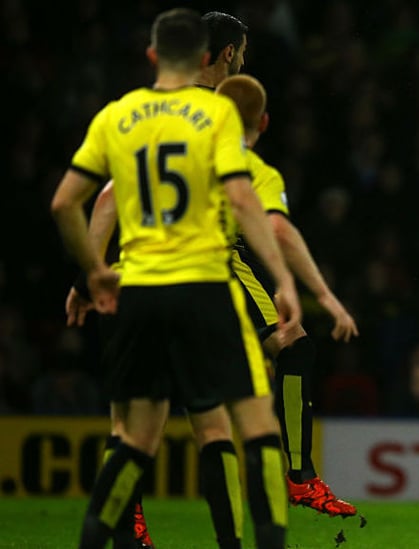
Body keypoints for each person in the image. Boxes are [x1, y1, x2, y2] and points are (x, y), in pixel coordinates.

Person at [51, 8, 297, 548]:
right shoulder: (217, 116)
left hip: (135, 289)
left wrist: (89, 274)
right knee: (236, 429)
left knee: (132, 440)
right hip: (204, 289)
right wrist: (284, 278)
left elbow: (78, 201)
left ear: (153, 56)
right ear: (216, 58)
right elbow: (239, 196)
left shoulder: (120, 115)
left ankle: (101, 540)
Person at [214, 73, 359, 517]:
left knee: (153, 399)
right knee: (290, 345)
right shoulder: (244, 163)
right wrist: (325, 297)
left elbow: (105, 196)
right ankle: (299, 477)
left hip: (143, 270)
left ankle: (126, 515)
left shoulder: (158, 133)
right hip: (211, 263)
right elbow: (277, 228)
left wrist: (92, 275)